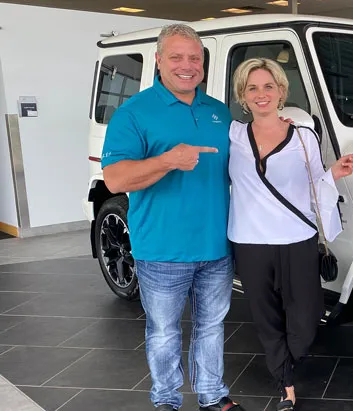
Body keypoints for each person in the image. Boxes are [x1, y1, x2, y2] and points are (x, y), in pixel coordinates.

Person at [101, 24, 244, 411]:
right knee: (164, 331)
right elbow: (115, 179)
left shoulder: (217, 112)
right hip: (162, 249)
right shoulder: (133, 113)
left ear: (203, 64)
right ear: (158, 61)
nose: (187, 65)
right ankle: (166, 399)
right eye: (177, 57)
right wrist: (167, 160)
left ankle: (212, 395)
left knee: (211, 327)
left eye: (195, 58)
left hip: (216, 246)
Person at [227, 57, 353, 411]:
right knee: (266, 317)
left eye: (268, 86)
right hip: (250, 241)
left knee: (306, 317)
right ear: (242, 95)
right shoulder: (232, 135)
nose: (261, 94)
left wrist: (334, 173)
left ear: (281, 91)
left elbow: (315, 184)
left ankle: (286, 361)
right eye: (252, 88)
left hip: (296, 238)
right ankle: (285, 383)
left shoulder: (303, 136)